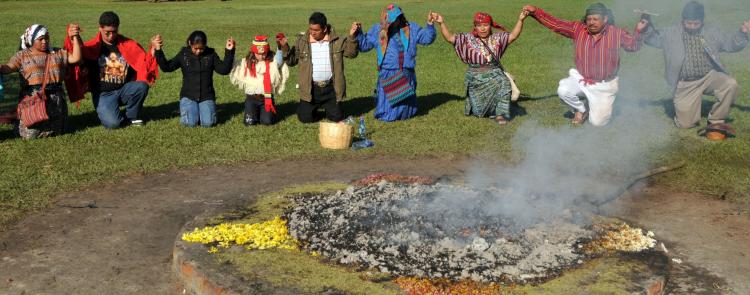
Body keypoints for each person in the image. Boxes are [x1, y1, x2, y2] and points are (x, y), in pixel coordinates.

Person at [523, 3, 649, 126]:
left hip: (604, 85)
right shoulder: (578, 29)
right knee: (563, 90)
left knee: (598, 123)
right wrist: (535, 12)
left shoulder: (616, 33)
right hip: (582, 78)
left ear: (605, 19)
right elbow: (556, 24)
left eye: (595, 19)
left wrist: (639, 30)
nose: (591, 22)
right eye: (589, 19)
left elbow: (633, 46)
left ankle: (593, 105)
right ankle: (581, 110)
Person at [642, 1, 750, 130]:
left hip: (708, 76)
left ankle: (716, 119)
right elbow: (653, 38)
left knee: (731, 84)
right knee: (686, 124)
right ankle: (690, 106)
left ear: (702, 21)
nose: (692, 26)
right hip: (685, 84)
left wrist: (742, 32)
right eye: (689, 23)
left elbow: (730, 44)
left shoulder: (711, 31)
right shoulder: (671, 33)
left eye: (696, 23)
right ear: (683, 20)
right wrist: (646, 25)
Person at [64, 11, 159, 129]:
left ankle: (131, 117)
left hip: (124, 89)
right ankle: (115, 114)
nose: (111, 35)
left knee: (141, 86)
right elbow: (77, 57)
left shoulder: (128, 44)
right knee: (113, 124)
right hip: (103, 94)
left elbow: (143, 63)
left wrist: (153, 50)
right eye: (107, 32)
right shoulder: (92, 47)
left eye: (114, 32)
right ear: (100, 28)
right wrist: (74, 37)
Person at [434, 11, 528, 125]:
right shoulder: (467, 39)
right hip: (475, 77)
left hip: (495, 73)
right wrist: (441, 23)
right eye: (479, 26)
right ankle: (484, 108)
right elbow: (449, 38)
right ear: (475, 27)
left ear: (490, 26)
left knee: (504, 83)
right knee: (479, 112)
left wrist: (521, 20)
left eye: (486, 25)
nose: (483, 29)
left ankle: (500, 114)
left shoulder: (497, 38)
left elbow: (513, 36)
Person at [357, 3, 436, 122]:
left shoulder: (412, 29)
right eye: (391, 20)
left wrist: (430, 24)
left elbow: (427, 38)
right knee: (387, 114)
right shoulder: (377, 30)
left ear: (401, 17)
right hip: (388, 74)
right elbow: (364, 45)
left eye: (396, 19)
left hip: (406, 74)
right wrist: (358, 33)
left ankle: (405, 113)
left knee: (406, 111)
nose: (393, 23)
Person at [0, 24, 81, 139]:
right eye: (40, 39)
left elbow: (76, 58)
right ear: (32, 39)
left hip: (55, 100)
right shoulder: (22, 56)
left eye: (46, 38)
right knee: (30, 134)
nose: (44, 41)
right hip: (33, 100)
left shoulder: (57, 52)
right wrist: (1, 68)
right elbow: (8, 68)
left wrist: (75, 37)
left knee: (58, 131)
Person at [279, 12, 360, 123]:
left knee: (336, 117)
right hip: (311, 89)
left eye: (316, 30)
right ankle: (311, 108)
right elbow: (291, 61)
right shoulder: (302, 41)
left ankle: (330, 108)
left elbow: (351, 54)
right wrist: (285, 47)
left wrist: (352, 36)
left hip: (331, 88)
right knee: (305, 118)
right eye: (311, 29)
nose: (312, 33)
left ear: (325, 29)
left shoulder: (337, 40)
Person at [152, 31, 235, 127]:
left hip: (206, 96)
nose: (199, 51)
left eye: (202, 48)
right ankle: (192, 110)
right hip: (188, 96)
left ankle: (201, 111)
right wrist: (158, 50)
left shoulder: (211, 54)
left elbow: (223, 70)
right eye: (196, 48)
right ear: (190, 43)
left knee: (208, 123)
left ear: (205, 45)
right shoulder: (183, 55)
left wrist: (229, 51)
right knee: (190, 123)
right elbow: (167, 67)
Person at [229, 35, 289, 126]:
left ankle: (268, 112)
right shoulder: (247, 63)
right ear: (253, 52)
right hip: (251, 98)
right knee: (249, 123)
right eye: (258, 54)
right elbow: (235, 65)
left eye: (264, 53)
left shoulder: (271, 63)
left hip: (266, 98)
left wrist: (279, 47)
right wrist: (231, 50)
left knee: (267, 122)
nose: (261, 56)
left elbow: (279, 62)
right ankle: (253, 112)